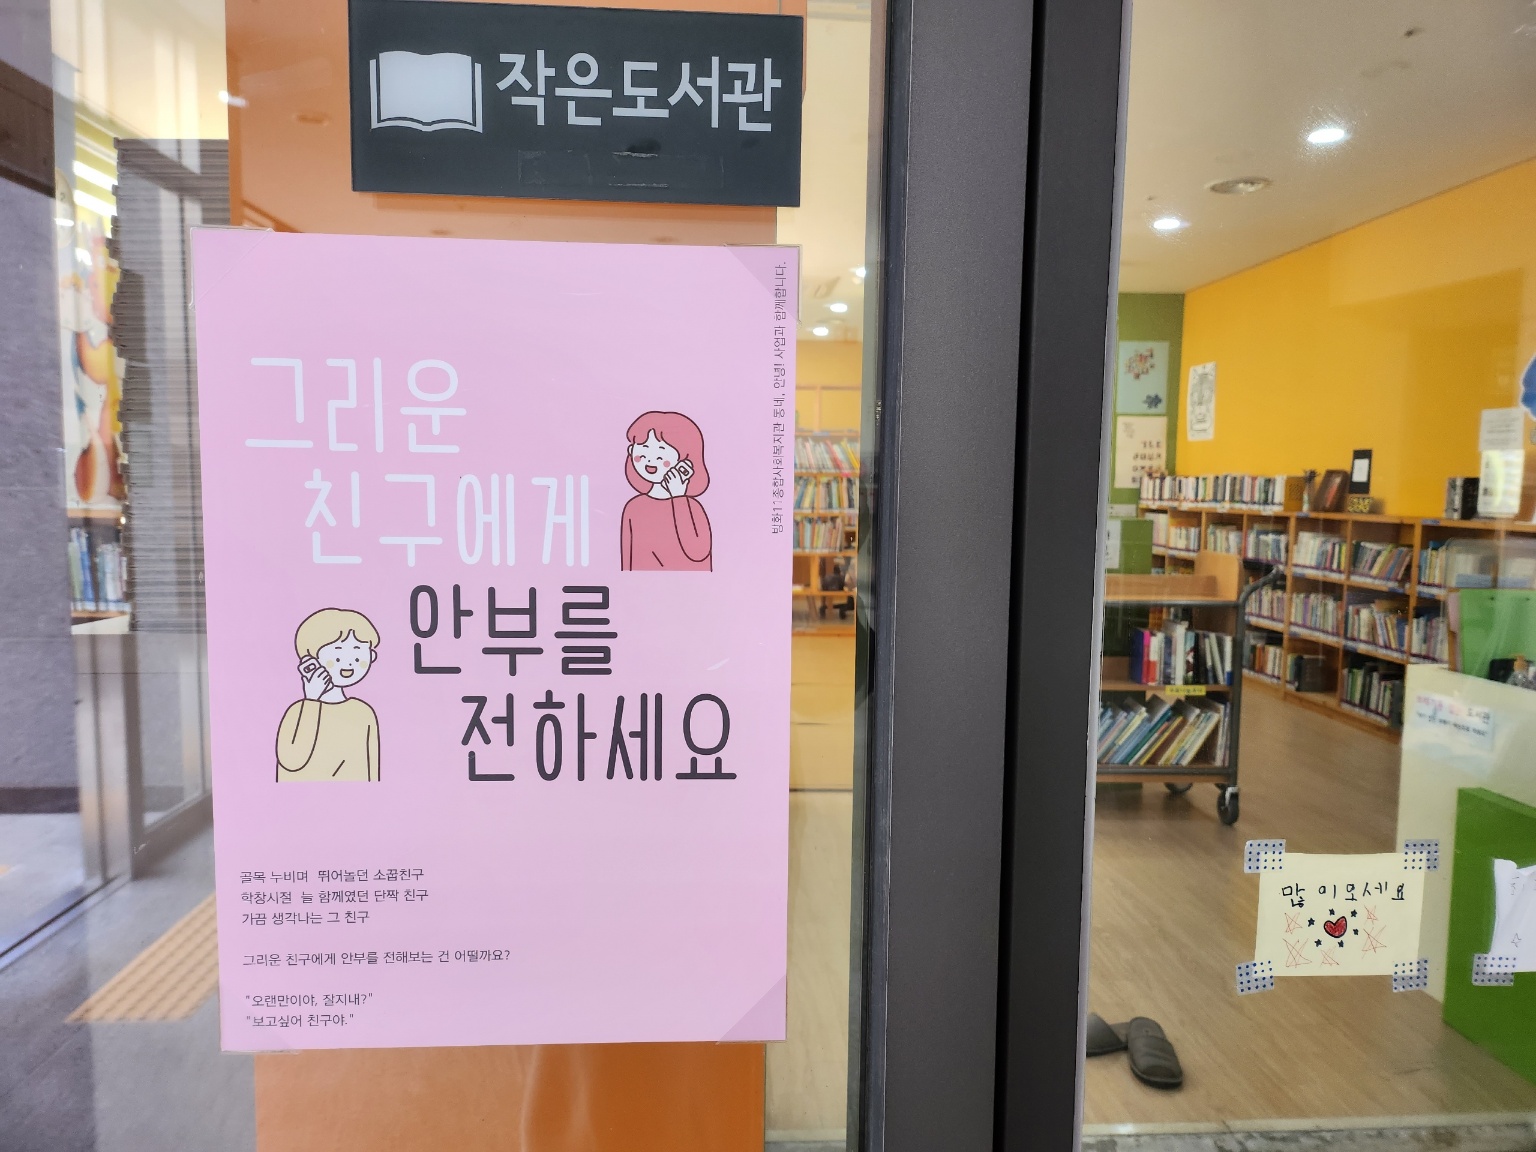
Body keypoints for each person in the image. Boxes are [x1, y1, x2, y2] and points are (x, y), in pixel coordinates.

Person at [274, 608, 382, 782]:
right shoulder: (299, 711)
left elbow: (372, 770)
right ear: (310, 660)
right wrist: (311, 700)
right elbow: (291, 761)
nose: (348, 663)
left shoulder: (363, 712)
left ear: (371, 656)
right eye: (337, 654)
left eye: (357, 653)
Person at [620, 410, 713, 571]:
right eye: (644, 448)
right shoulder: (633, 507)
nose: (651, 459)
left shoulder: (692, 507)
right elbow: (627, 561)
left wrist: (678, 497)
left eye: (661, 451)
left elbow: (698, 552)